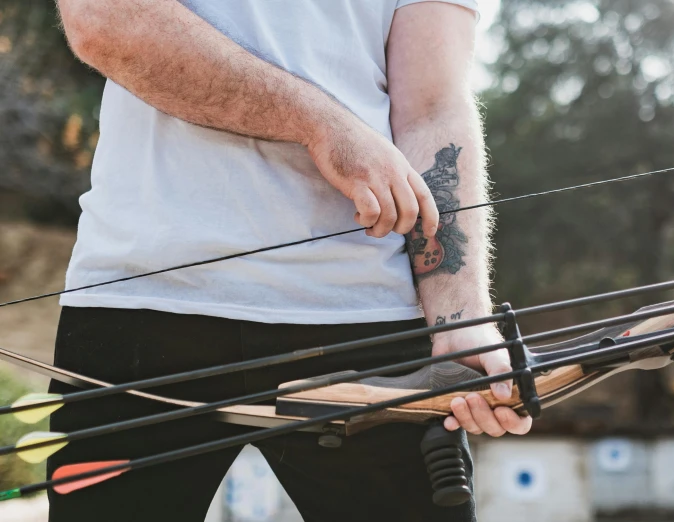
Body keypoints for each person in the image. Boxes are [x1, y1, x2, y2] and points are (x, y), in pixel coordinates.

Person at [51, 1, 532, 520]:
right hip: (142, 309)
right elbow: (104, 20)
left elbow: (433, 112)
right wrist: (323, 125)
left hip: (370, 329)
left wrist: (459, 320)